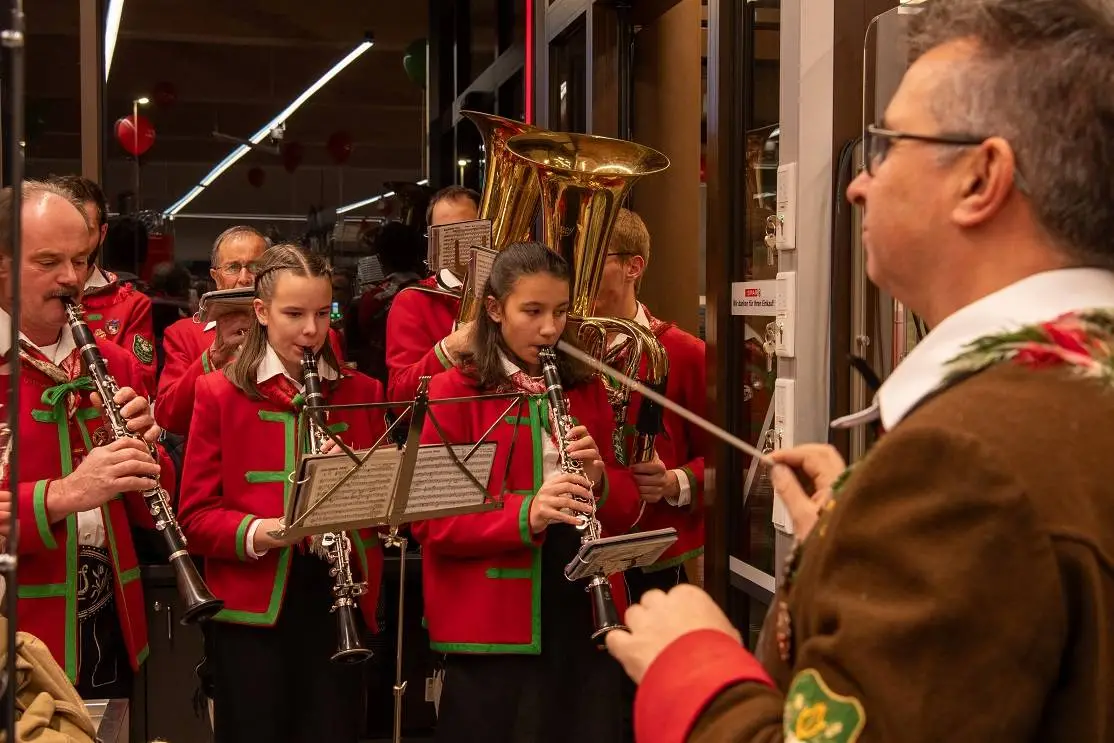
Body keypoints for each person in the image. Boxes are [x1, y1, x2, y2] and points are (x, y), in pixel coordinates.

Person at [607, 1, 1114, 741]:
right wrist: (852, 547)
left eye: (887, 145)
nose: (857, 184)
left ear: (982, 177)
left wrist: (692, 666)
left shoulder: (962, 463)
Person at [413, 242, 643, 743]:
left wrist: (601, 477)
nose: (549, 329)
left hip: (582, 609)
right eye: (532, 311)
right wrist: (529, 513)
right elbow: (431, 522)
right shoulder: (453, 391)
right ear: (494, 310)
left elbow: (625, 511)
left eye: (560, 312)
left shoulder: (586, 388)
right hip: (492, 623)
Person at [177, 244, 386, 743]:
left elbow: (387, 517)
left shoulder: (363, 392)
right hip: (251, 614)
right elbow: (196, 518)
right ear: (261, 311)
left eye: (322, 312)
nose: (312, 330)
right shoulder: (217, 392)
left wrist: (358, 484)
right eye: (293, 314)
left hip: (340, 599)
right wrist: (265, 531)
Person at [0, 181, 169, 699]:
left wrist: (151, 455)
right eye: (48, 261)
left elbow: (153, 513)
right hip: (17, 633)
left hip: (109, 626)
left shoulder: (112, 363)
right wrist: (66, 494)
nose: (71, 278)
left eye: (80, 259)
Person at [591, 208, 707, 597]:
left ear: (633, 267)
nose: (579, 272)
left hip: (653, 550)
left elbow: (728, 459)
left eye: (594, 256)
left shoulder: (685, 352)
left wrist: (675, 482)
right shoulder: (558, 348)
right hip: (574, 549)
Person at [155, 225, 269, 436]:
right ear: (215, 278)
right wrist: (215, 354)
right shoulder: (183, 334)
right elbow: (169, 417)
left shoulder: (290, 329)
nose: (245, 278)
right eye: (233, 267)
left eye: (256, 267)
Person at [48, 175, 156, 391]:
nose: (73, 243)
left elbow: (141, 385)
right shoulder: (26, 294)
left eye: (84, 231)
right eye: (62, 229)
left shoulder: (131, 304)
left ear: (102, 233)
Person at [384, 185, 480, 404]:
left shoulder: (510, 294)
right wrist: (449, 349)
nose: (456, 241)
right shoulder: (414, 300)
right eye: (444, 233)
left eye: (467, 229)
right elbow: (400, 398)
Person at [351, 221, 426, 383]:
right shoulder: (432, 296)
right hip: (420, 380)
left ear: (381, 259)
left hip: (376, 381)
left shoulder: (370, 300)